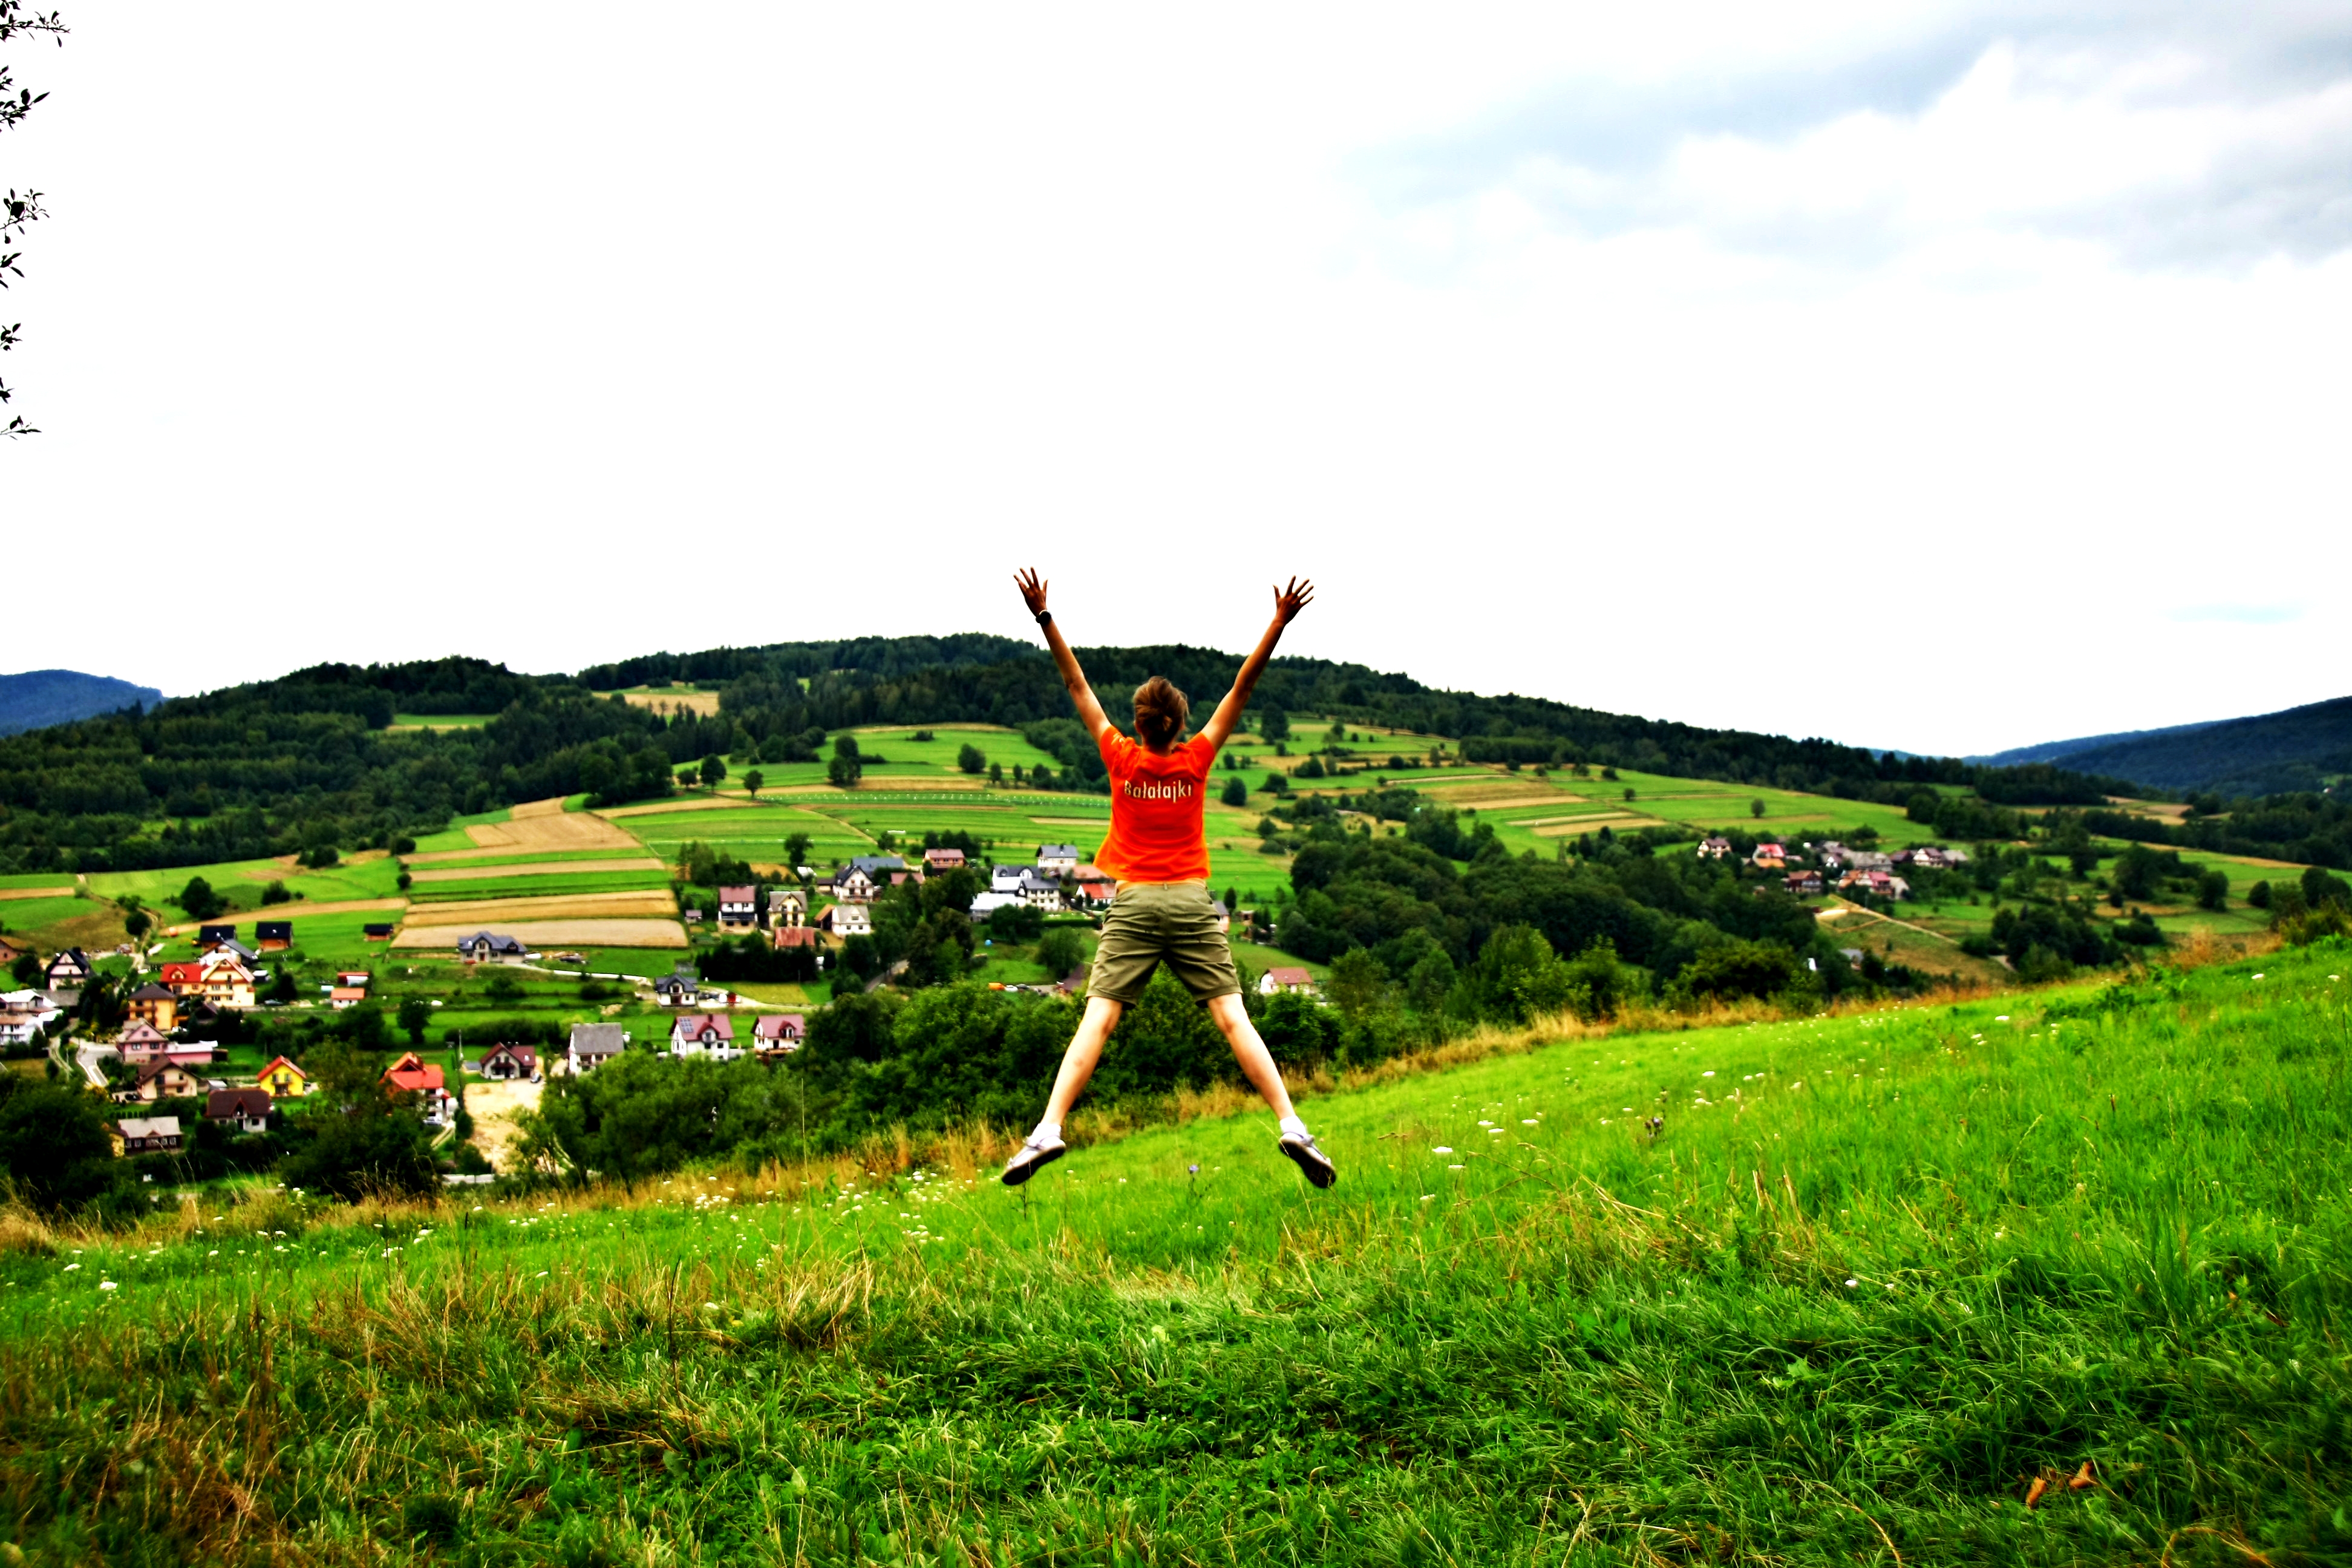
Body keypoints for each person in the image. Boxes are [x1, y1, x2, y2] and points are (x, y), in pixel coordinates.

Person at [998, 567, 1336, 1189]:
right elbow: (1243, 686)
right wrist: (1279, 623)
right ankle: (1292, 1124)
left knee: (1098, 1019)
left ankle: (1048, 1129)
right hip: (1190, 903)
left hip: (1133, 905)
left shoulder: (1120, 757)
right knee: (1233, 1017)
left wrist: (1044, 616)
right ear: (1180, 725)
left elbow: (1076, 684)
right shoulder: (1197, 758)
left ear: (1139, 724)